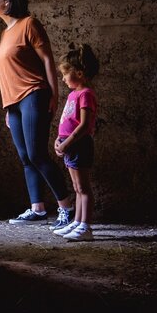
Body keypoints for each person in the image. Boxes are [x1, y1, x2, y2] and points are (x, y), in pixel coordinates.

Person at [0, 0, 75, 229]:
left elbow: (47, 61)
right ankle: (37, 208)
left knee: (37, 153)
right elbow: (9, 73)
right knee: (25, 157)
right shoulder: (5, 33)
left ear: (7, 2)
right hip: (13, 104)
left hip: (34, 95)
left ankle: (67, 208)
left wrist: (54, 95)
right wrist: (8, 109)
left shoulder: (29, 24)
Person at [52, 44, 101, 241]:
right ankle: (77, 222)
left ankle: (85, 226)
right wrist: (59, 139)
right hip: (70, 145)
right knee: (76, 187)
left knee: (83, 188)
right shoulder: (74, 94)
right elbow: (67, 121)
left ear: (79, 73)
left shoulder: (86, 94)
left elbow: (84, 126)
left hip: (79, 145)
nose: (63, 79)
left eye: (65, 74)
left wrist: (67, 143)